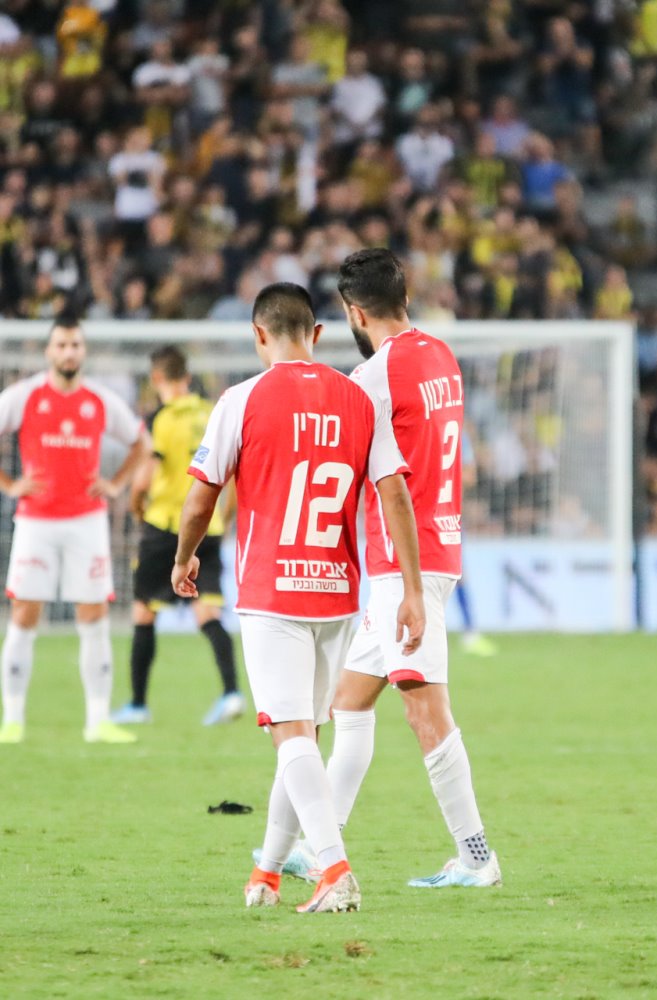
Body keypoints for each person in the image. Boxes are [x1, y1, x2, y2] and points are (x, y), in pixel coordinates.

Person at [175, 282, 426, 912]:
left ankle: (334, 869)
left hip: (272, 591)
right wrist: (412, 589)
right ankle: (266, 869)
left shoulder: (241, 398)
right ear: (316, 336)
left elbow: (203, 493)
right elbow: (395, 493)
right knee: (302, 738)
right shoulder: (358, 397)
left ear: (259, 334)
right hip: (339, 593)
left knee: (291, 736)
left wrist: (184, 558)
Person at [257, 249, 499, 889]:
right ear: (406, 295)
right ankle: (321, 841)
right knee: (350, 700)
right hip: (437, 545)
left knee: (426, 712)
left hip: (402, 565)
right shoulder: (441, 356)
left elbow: (361, 470)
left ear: (353, 312)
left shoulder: (372, 377)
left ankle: (477, 858)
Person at [0, 315, 151, 745]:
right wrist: (11, 486)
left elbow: (142, 443)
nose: (69, 352)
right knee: (25, 615)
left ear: (83, 351)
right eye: (62, 345)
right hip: (35, 521)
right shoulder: (25, 396)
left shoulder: (99, 400)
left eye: (75, 345)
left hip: (87, 521)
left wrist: (117, 483)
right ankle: (12, 718)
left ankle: (97, 720)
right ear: (49, 351)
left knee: (94, 615)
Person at [111, 346, 244, 727]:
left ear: (157, 379)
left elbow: (142, 482)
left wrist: (138, 509)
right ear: (187, 376)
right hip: (209, 527)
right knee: (209, 611)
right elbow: (231, 474)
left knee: (144, 611)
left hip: (165, 525)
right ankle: (231, 692)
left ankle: (137, 703)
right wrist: (224, 516)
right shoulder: (212, 414)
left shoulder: (161, 419)